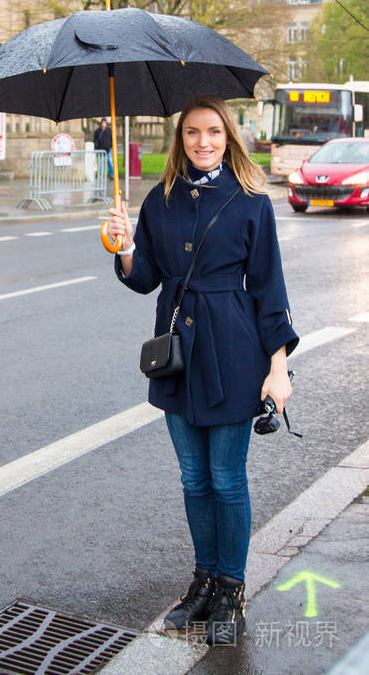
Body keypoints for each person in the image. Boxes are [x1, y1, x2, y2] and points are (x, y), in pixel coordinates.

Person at [107, 95, 298, 647]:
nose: (202, 141)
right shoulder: (159, 199)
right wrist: (124, 248)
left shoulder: (251, 201)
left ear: (228, 136)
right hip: (176, 352)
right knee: (193, 478)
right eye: (192, 133)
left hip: (234, 349)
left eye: (212, 131)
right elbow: (144, 276)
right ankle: (204, 580)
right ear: (180, 139)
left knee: (226, 478)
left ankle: (231, 591)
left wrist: (278, 367)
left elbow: (269, 288)